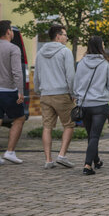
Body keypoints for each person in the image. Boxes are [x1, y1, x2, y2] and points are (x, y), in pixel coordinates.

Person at [73, 36, 109, 175]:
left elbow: (76, 85)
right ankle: (87, 165)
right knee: (94, 136)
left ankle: (96, 160)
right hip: (100, 105)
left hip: (85, 105)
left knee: (91, 135)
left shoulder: (81, 63)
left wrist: (78, 99)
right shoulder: (106, 63)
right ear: (100, 46)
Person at [0, 20, 26, 166]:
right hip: (8, 91)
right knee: (20, 119)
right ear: (8, 32)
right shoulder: (13, 48)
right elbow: (17, 72)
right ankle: (10, 151)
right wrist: (20, 91)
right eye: (12, 30)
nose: (12, 33)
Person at [34, 24, 76, 169]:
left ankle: (48, 160)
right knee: (69, 124)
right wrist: (73, 93)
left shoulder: (40, 53)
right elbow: (70, 76)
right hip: (62, 93)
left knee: (47, 127)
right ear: (58, 36)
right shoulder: (66, 52)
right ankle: (62, 155)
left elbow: (37, 75)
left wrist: (39, 91)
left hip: (45, 94)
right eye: (65, 35)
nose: (66, 37)